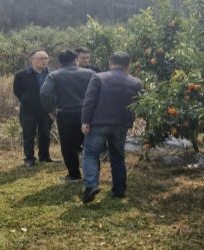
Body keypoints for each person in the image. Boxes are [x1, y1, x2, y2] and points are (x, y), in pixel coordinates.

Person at [81, 52, 143, 204]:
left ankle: (91, 186)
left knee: (90, 154)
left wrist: (85, 121)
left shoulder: (98, 77)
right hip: (121, 124)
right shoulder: (136, 82)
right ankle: (119, 190)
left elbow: (89, 100)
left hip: (98, 123)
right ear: (128, 66)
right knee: (118, 157)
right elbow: (143, 102)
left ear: (110, 64)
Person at [40, 50, 95, 182]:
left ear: (60, 62)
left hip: (66, 113)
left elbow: (45, 93)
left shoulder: (54, 75)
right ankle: (92, 176)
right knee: (90, 145)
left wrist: (51, 110)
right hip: (88, 114)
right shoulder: (90, 73)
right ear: (76, 60)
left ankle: (74, 175)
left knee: (68, 146)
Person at [13, 51, 61, 167]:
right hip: (28, 109)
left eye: (46, 58)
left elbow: (57, 90)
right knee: (28, 134)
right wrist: (27, 100)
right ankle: (29, 158)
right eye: (40, 59)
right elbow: (17, 91)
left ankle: (44, 156)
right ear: (32, 60)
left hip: (46, 109)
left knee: (45, 133)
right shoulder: (21, 75)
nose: (44, 61)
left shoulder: (53, 73)